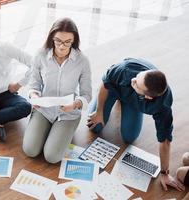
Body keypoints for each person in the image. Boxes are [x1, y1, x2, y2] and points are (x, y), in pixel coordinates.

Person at [87, 58, 184, 191]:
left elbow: (165, 141)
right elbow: (106, 84)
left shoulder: (162, 106)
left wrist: (164, 173)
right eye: (137, 77)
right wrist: (98, 112)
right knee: (95, 126)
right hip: (114, 88)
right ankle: (106, 102)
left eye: (136, 84)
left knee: (129, 137)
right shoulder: (126, 70)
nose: (133, 79)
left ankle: (126, 102)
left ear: (148, 97)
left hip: (133, 100)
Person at [22, 18, 92, 164]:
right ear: (51, 38)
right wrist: (34, 95)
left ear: (74, 41)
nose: (62, 46)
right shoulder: (40, 55)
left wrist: (75, 104)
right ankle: (46, 129)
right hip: (44, 109)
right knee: (30, 150)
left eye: (67, 42)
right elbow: (34, 84)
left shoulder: (82, 61)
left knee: (52, 157)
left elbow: (87, 94)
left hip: (68, 113)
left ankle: (63, 131)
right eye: (58, 41)